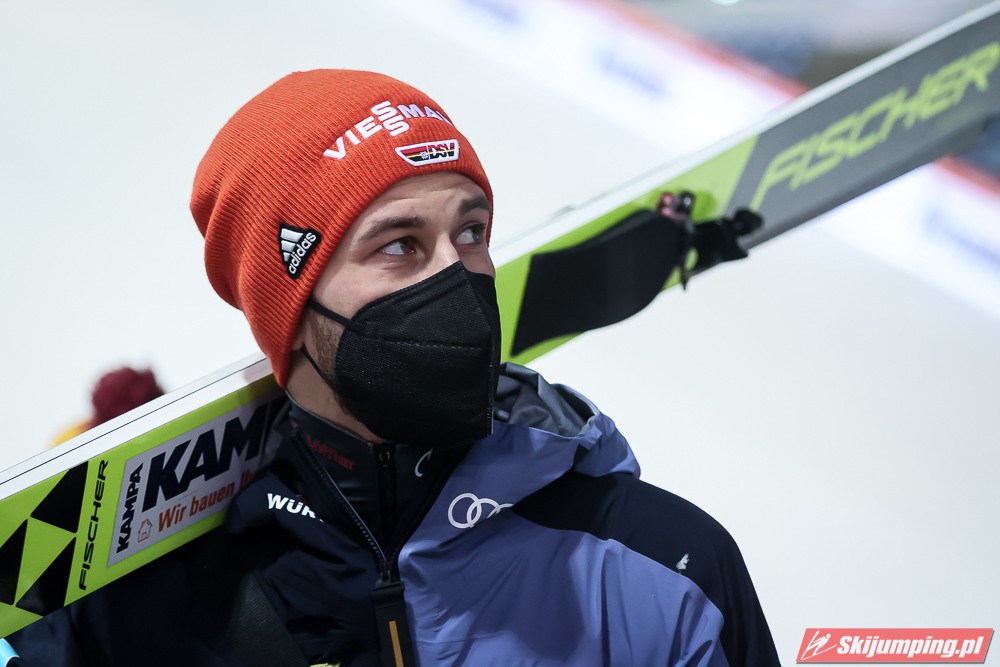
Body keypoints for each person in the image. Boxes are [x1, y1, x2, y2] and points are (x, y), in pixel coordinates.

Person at [8, 70, 780, 666]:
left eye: (471, 232)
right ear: (292, 308)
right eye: (400, 244)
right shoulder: (152, 613)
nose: (458, 280)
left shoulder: (665, 567)